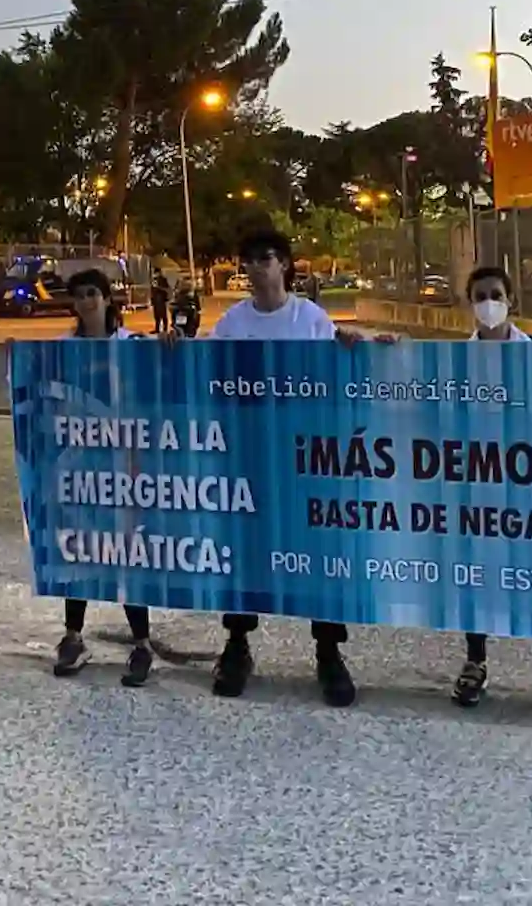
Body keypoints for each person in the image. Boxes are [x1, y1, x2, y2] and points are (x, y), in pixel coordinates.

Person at [204, 226, 359, 707]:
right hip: (250, 453)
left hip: (303, 457)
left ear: (285, 265)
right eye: (247, 260)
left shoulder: (309, 318)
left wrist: (358, 347)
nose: (255, 268)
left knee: (316, 550)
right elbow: (207, 372)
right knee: (246, 550)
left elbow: (336, 373)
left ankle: (329, 651)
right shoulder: (233, 322)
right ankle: (236, 644)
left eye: (265, 258)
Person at [448, 266, 532, 715]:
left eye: (495, 294)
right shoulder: (453, 363)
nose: (488, 303)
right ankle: (475, 661)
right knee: (477, 577)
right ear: (469, 303)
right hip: (477, 485)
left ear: (511, 300)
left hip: (530, 483)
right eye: (480, 296)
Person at [52, 268, 159, 687]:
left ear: (108, 298)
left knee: (127, 551)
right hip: (79, 464)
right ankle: (73, 634)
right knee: (78, 548)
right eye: (79, 296)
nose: (87, 302)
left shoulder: (132, 346)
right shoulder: (62, 349)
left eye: (93, 293)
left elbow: (159, 385)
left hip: (123, 463)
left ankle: (142, 642)